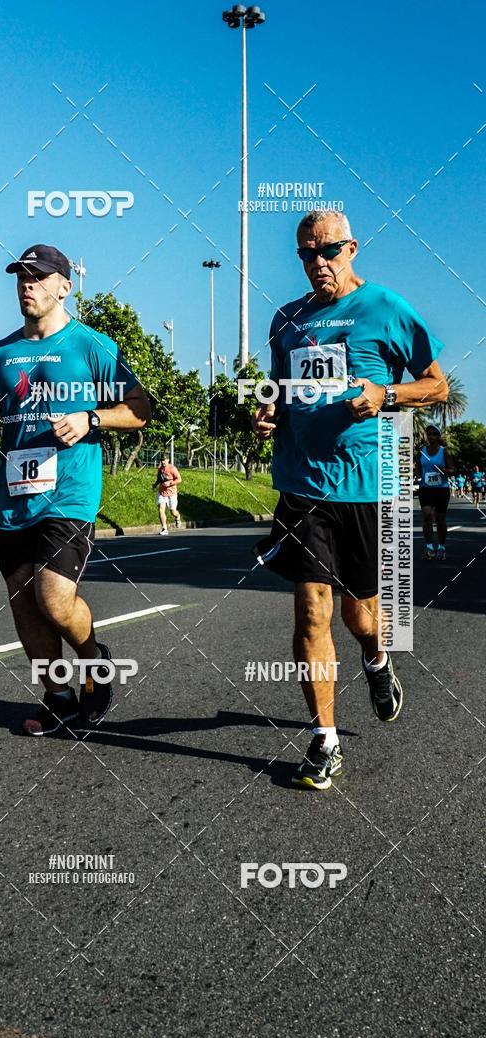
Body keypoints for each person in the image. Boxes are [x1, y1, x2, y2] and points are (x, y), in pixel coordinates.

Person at [252, 210, 448, 790]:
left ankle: (378, 661)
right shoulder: (286, 320)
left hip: (366, 485)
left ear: (352, 248)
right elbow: (282, 393)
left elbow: (436, 384)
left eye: (329, 251)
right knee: (312, 609)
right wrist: (269, 412)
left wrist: (385, 393)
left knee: (360, 615)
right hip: (302, 486)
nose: (318, 263)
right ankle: (324, 741)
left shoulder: (386, 308)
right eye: (307, 254)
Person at [0, 244, 150, 736]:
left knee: (53, 598)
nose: (27, 285)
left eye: (37, 277)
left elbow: (140, 408)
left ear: (65, 285)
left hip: (69, 491)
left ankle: (93, 662)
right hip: (13, 496)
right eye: (20, 277)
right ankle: (57, 696)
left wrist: (91, 417)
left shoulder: (92, 346)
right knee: (23, 604)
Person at [416, 425, 455, 560]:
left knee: (440, 519)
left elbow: (452, 469)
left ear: (438, 436)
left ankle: (441, 547)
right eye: (429, 434)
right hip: (426, 489)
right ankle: (429, 547)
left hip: (441, 489)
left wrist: (446, 471)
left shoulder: (444, 452)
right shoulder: (422, 451)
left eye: (434, 434)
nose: (431, 436)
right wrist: (419, 476)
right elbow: (418, 467)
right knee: (427, 516)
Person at [153, 454, 182, 535]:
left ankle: (177, 517)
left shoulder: (172, 469)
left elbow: (179, 479)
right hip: (162, 493)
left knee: (173, 512)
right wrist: (155, 485)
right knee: (161, 509)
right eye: (161, 460)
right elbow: (159, 479)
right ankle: (164, 528)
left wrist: (170, 483)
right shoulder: (160, 469)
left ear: (168, 460)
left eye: (164, 460)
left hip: (172, 493)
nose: (163, 462)